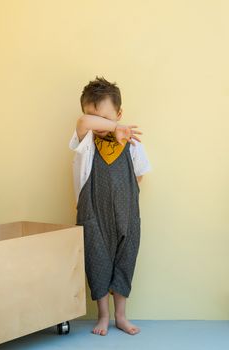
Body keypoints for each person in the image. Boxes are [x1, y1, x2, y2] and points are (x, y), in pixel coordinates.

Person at [69, 76, 152, 336]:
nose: (102, 126)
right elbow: (84, 122)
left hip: (126, 214)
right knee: (97, 261)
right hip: (93, 212)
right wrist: (111, 126)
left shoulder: (133, 143)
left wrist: (124, 203)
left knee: (124, 260)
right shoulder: (86, 141)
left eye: (108, 118)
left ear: (119, 113)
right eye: (98, 120)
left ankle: (120, 317)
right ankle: (103, 316)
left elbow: (138, 176)